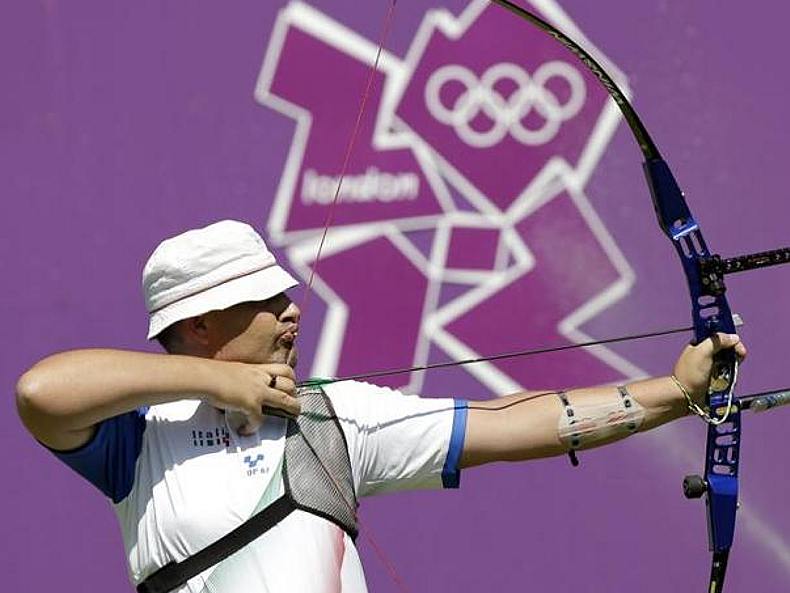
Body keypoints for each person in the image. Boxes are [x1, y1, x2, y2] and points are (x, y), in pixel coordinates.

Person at [16, 219, 746, 593]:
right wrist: (220, 385)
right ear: (202, 325)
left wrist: (676, 391)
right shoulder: (139, 438)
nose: (291, 310)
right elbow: (41, 392)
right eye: (267, 300)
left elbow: (515, 423)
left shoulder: (331, 416)